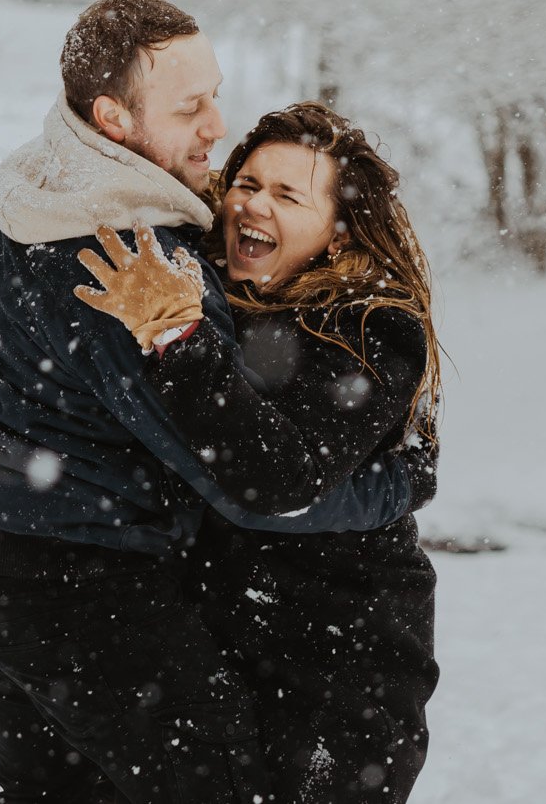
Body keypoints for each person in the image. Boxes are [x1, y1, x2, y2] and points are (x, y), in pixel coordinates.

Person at [0, 0, 427, 804]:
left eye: (216, 96)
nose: (215, 127)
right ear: (114, 117)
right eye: (191, 106)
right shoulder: (135, 258)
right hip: (83, 582)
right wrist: (401, 483)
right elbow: (255, 480)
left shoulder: (33, 199)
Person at [76, 103, 443, 804]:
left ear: (338, 235)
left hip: (342, 661)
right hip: (221, 640)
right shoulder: (213, 290)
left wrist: (176, 337)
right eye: (246, 183)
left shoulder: (371, 326)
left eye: (287, 194)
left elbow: (276, 475)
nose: (254, 204)